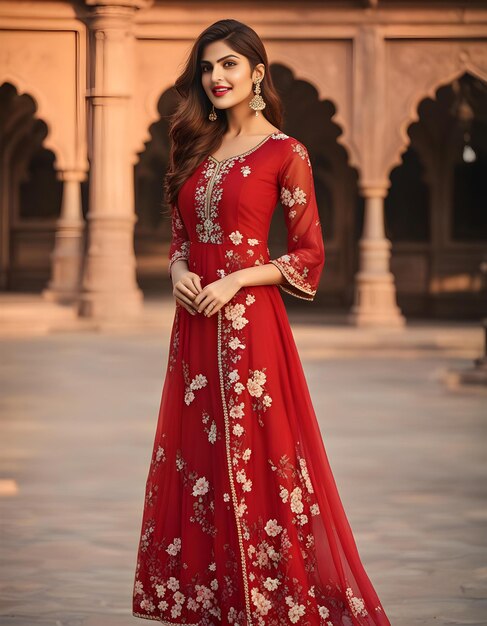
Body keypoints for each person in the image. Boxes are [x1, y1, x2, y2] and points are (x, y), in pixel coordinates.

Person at [132, 18, 391, 626]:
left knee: (261, 456)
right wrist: (177, 272)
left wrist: (237, 279)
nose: (215, 77)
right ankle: (217, 601)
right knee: (200, 459)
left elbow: (308, 254)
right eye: (207, 66)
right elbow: (179, 236)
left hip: (250, 327)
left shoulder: (285, 153)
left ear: (256, 73)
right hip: (195, 328)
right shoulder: (193, 143)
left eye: (228, 65)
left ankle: (270, 599)